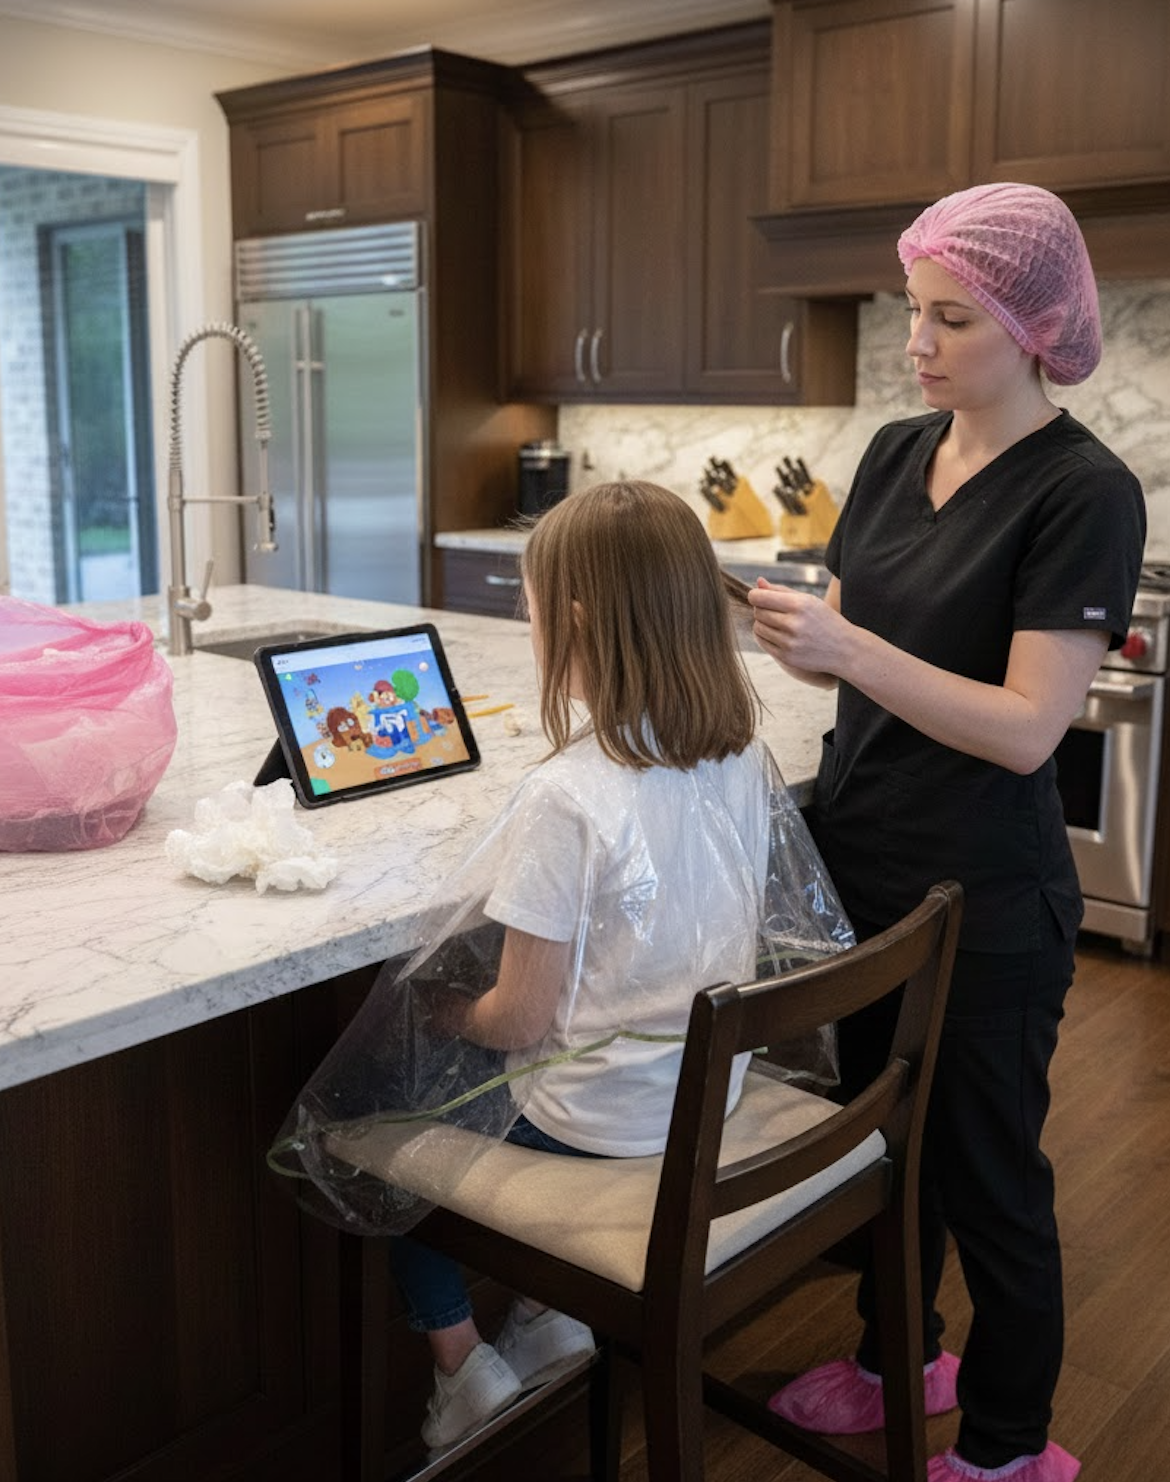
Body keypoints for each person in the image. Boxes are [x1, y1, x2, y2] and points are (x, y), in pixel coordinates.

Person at [747, 182, 1146, 1482]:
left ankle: (1009, 1443)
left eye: (949, 318)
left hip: (982, 895)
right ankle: (892, 1361)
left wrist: (848, 640)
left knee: (988, 1181)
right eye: (910, 309)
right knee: (880, 1143)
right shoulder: (889, 453)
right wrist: (809, 646)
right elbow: (868, 662)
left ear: (1037, 329)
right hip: (859, 859)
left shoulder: (1082, 490)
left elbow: (1031, 726)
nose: (913, 343)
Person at [380, 480, 834, 1452]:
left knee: (390, 1121)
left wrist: (445, 1015)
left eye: (532, 606)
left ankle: (460, 1368)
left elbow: (518, 1022)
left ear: (576, 620)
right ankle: (546, 1319)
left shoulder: (565, 797)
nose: (526, 621)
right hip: (701, 1102)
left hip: (600, 1131)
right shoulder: (741, 754)